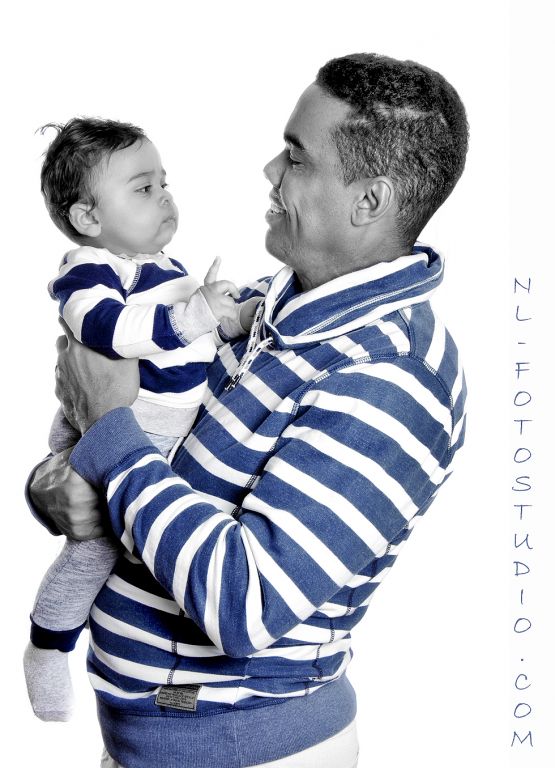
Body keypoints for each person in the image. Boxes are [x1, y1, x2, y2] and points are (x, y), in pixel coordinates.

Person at [28, 53, 469, 768]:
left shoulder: (391, 375)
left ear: (368, 200)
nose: (269, 170)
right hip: (149, 741)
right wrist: (54, 483)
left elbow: (246, 603)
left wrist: (108, 432)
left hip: (243, 751)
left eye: (295, 157)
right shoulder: (263, 306)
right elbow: (141, 452)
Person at [24, 118, 258, 722]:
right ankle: (48, 645)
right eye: (143, 188)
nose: (165, 199)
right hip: (107, 427)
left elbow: (192, 343)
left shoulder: (164, 268)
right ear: (88, 218)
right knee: (92, 552)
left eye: (164, 184)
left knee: (151, 539)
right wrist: (192, 316)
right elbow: (107, 331)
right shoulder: (88, 269)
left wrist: (228, 318)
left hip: (152, 431)